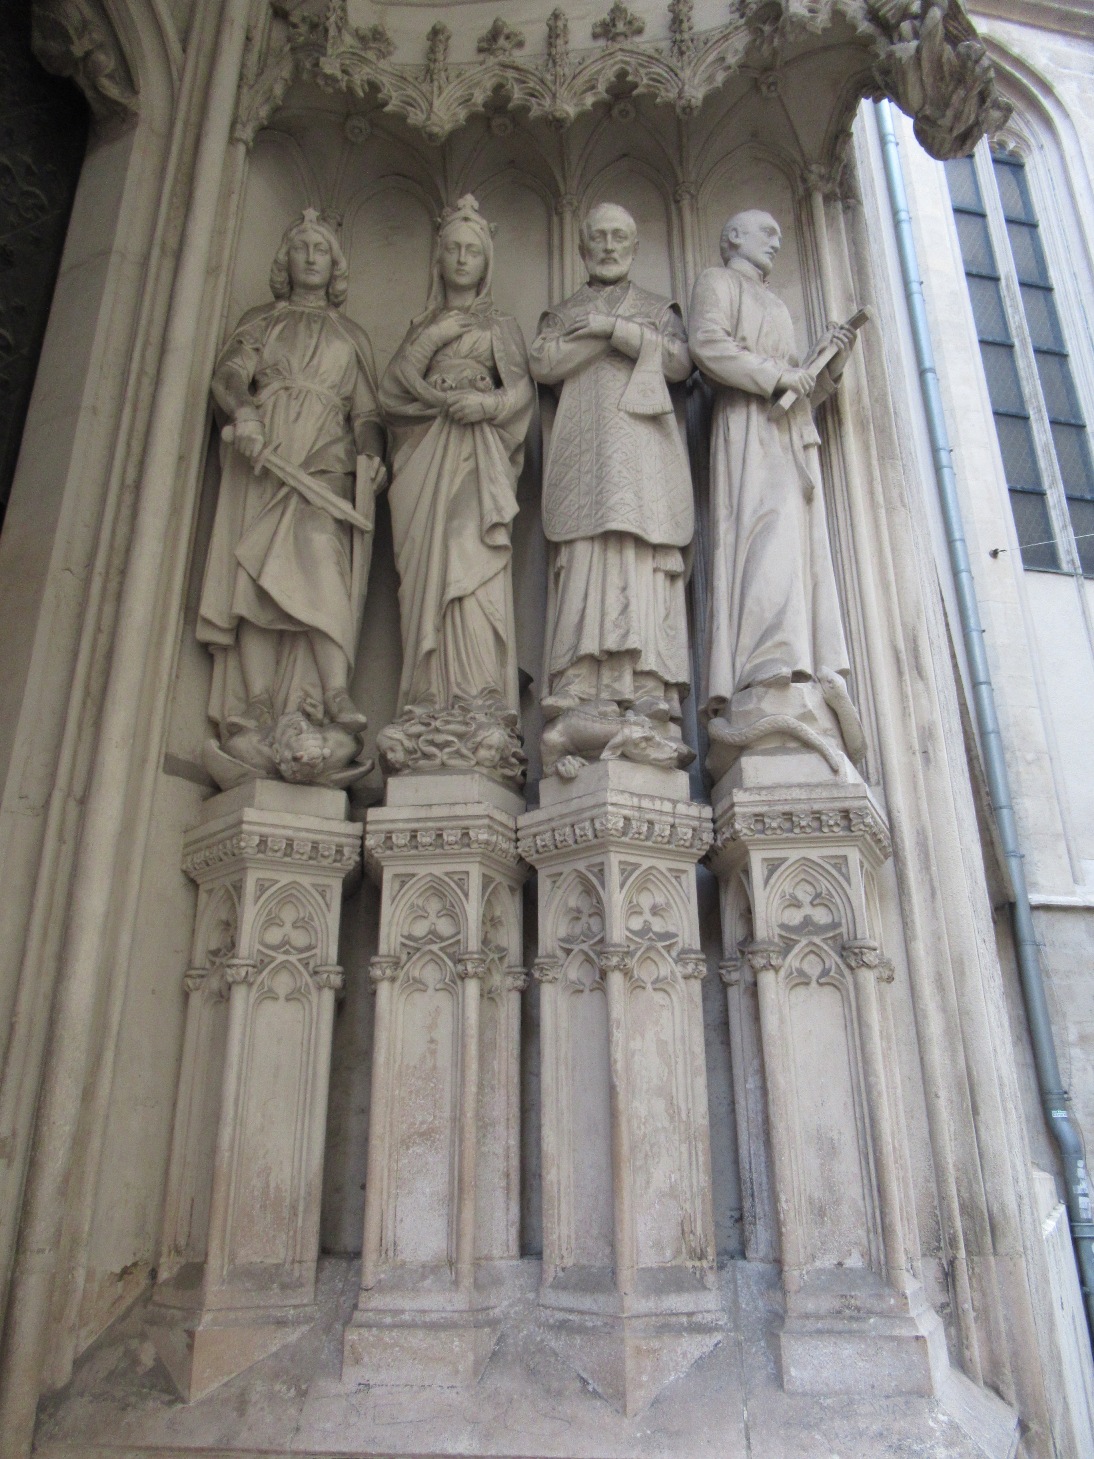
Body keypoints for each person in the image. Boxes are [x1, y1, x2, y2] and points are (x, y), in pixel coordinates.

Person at [197, 209, 384, 739]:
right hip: (265, 454)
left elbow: (367, 415)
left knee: (322, 556)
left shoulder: (351, 335)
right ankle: (257, 700)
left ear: (335, 263)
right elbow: (229, 376)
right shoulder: (262, 320)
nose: (311, 258)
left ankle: (334, 690)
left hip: (327, 458)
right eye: (301, 248)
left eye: (321, 249)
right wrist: (246, 414)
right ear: (285, 260)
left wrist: (372, 458)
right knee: (255, 573)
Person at [688, 209, 860, 742]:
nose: (777, 242)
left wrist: (827, 366)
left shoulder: (777, 303)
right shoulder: (717, 283)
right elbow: (708, 345)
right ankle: (763, 665)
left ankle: (797, 663)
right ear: (733, 236)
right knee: (761, 539)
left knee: (796, 548)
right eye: (767, 232)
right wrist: (777, 375)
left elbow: (797, 386)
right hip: (746, 429)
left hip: (785, 434)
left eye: (780, 235)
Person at [529, 203, 694, 737]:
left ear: (634, 246)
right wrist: (603, 333)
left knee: (642, 557)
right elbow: (543, 363)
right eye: (597, 237)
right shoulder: (563, 314)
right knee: (585, 557)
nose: (607, 246)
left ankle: (646, 682)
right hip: (584, 463)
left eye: (618, 237)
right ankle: (579, 679)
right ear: (581, 248)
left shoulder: (657, 309)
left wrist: (614, 329)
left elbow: (679, 363)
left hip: (645, 461)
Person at [380, 194, 533, 721]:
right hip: (425, 455)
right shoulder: (422, 327)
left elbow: (522, 392)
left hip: (477, 452)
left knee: (469, 547)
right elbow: (392, 392)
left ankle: (477, 688)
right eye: (453, 248)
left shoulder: (500, 326)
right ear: (439, 257)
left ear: (487, 261)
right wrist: (436, 338)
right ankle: (429, 692)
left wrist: (487, 405)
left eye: (473, 249)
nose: (463, 258)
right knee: (429, 563)